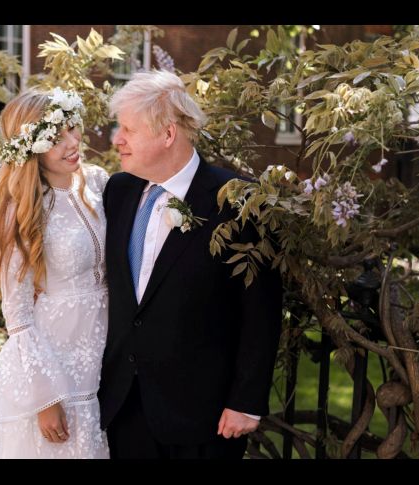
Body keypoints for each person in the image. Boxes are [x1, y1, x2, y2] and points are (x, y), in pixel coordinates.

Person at [98, 70, 283, 459]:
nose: (117, 139)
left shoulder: (238, 202)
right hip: (124, 406)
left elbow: (260, 310)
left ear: (167, 134)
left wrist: (246, 401)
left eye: (128, 129)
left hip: (205, 415)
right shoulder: (118, 191)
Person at [0, 88, 110, 458]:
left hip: (105, 351)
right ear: (33, 149)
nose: (73, 142)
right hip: (54, 363)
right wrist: (45, 398)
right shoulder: (24, 211)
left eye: (73, 129)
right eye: (57, 139)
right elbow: (19, 314)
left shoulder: (99, 182)